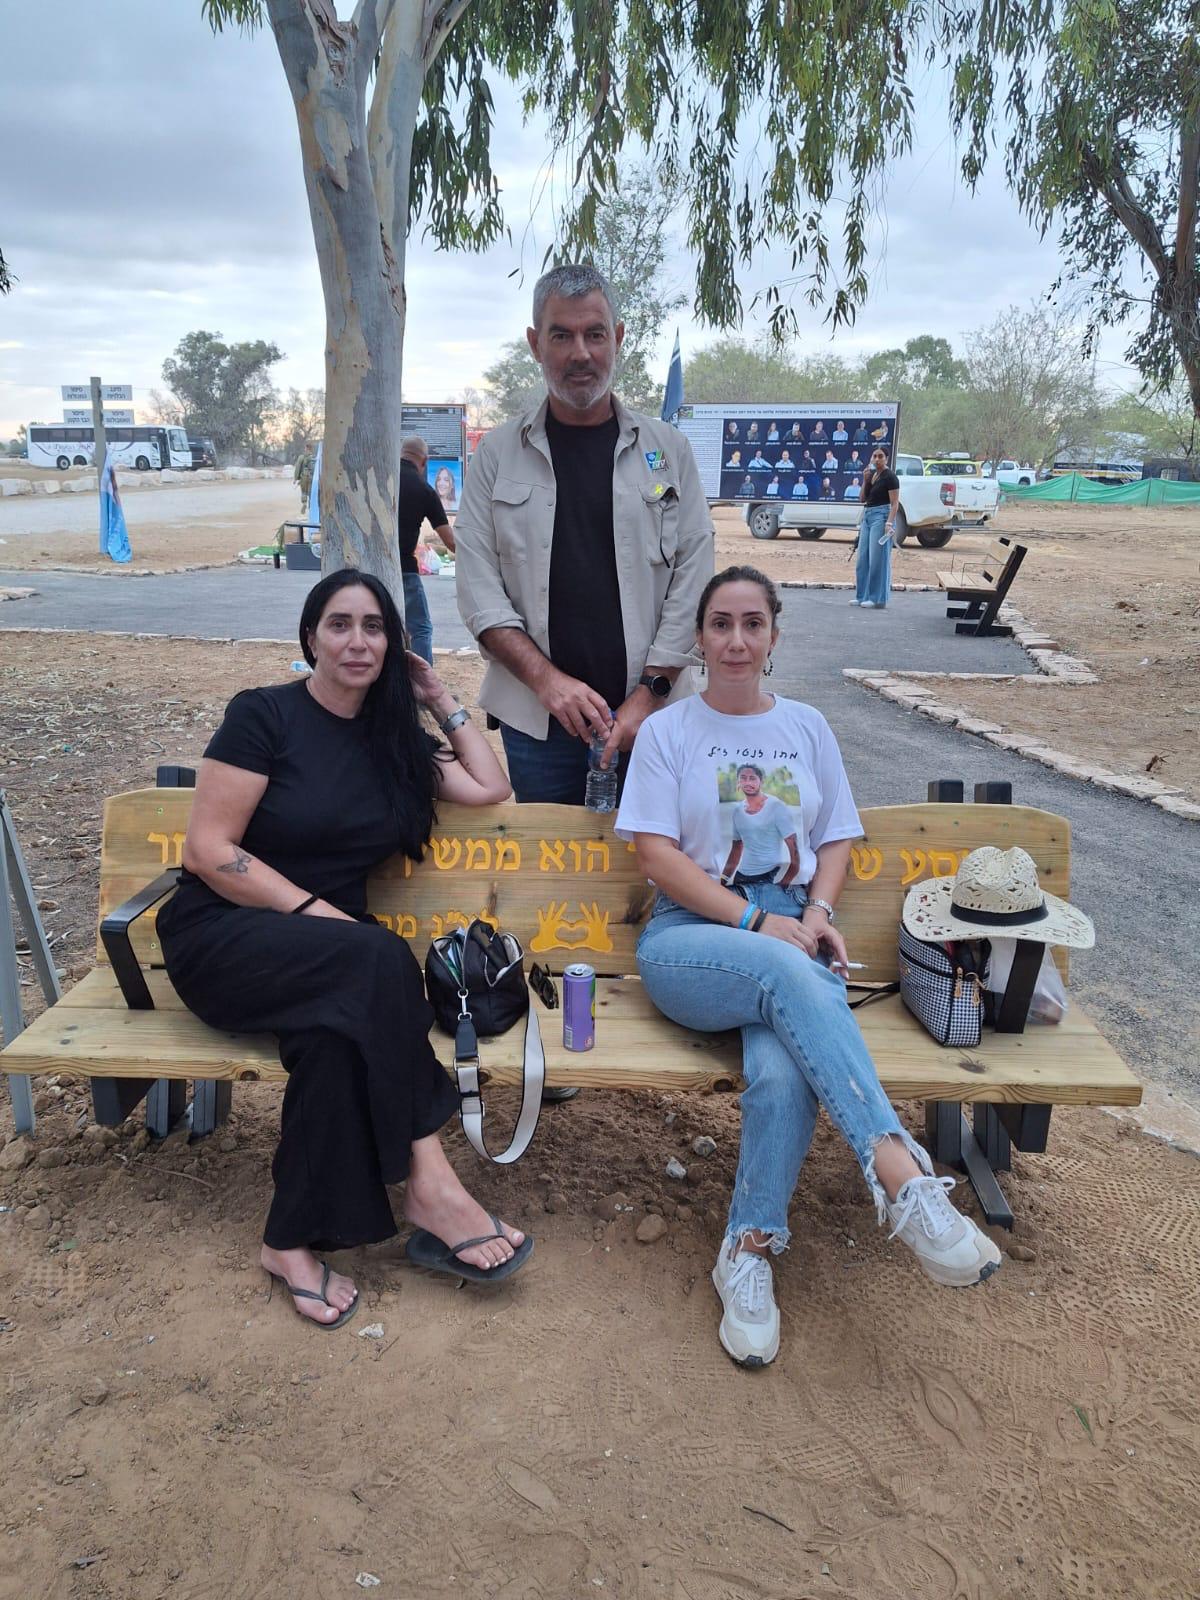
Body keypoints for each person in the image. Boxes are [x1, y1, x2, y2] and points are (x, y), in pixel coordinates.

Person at [615, 566, 1001, 1366]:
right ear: (699, 639)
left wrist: (816, 914)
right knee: (788, 973)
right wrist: (760, 923)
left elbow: (836, 838)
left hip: (792, 926)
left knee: (784, 1073)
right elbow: (655, 855)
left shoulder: (807, 727)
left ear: (774, 637)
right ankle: (901, 1173)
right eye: (720, 624)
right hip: (692, 937)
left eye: (752, 623)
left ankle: (748, 1249)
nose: (736, 640)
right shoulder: (668, 732)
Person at [157, 569, 528, 1328]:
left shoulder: (395, 744)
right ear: (311, 637)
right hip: (225, 937)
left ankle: (287, 1242)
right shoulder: (264, 716)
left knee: (333, 1044)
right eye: (339, 624)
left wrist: (437, 695)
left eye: (374, 627)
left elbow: (490, 787)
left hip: (333, 966)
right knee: (379, 956)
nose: (357, 641)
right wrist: (318, 913)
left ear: (391, 645)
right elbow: (207, 850)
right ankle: (431, 1182)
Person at [455, 262, 714, 807]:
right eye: (561, 335)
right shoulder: (496, 456)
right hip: (537, 724)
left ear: (617, 338)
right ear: (535, 343)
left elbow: (693, 578)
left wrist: (649, 694)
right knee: (553, 861)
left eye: (595, 334)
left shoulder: (669, 451)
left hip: (654, 720)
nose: (581, 353)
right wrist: (547, 682)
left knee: (657, 859)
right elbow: (479, 591)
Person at [397, 435, 455, 665]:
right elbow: (451, 542)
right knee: (419, 629)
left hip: (367, 568)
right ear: (424, 461)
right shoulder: (424, 490)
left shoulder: (383, 478)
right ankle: (421, 681)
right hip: (404, 570)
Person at [719, 764, 800, 888]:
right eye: (743, 778)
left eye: (752, 778)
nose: (747, 782)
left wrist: (784, 884)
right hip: (741, 877)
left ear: (761, 781)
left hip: (768, 876)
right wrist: (723, 880)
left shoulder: (776, 807)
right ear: (738, 782)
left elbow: (794, 852)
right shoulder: (737, 811)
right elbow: (736, 850)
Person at [853, 446, 900, 609]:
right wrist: (865, 480)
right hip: (867, 515)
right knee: (862, 559)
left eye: (880, 456)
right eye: (874, 456)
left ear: (886, 458)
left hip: (881, 515)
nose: (877, 459)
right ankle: (861, 596)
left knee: (877, 559)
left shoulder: (890, 477)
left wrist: (889, 523)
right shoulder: (872, 475)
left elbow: (895, 503)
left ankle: (876, 598)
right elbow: (862, 499)